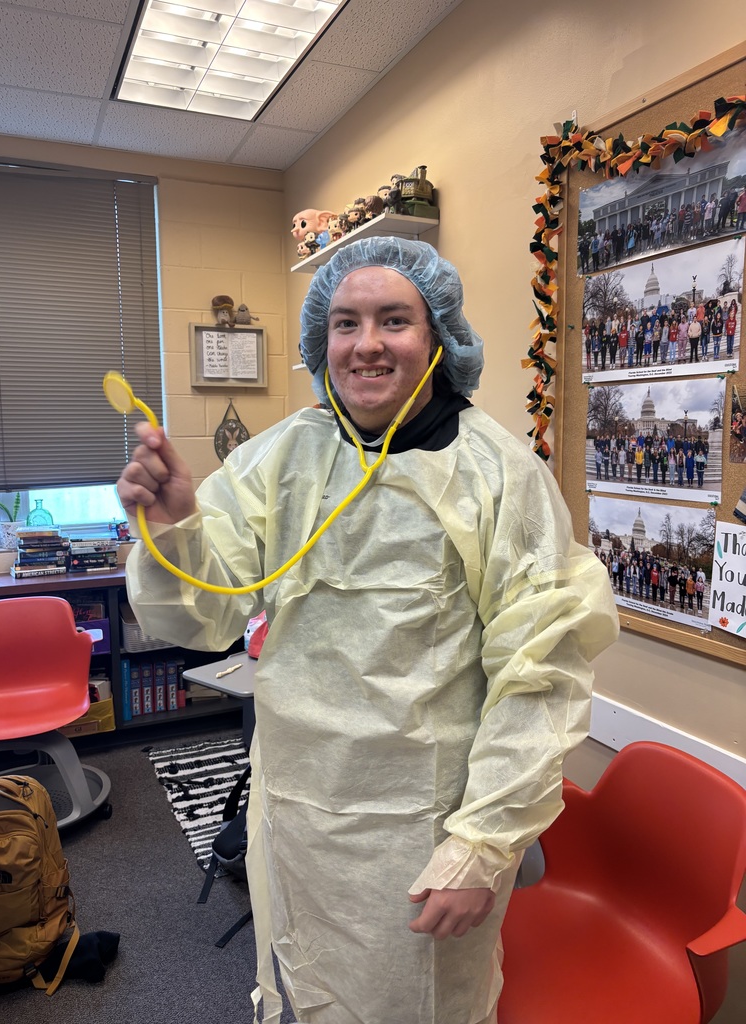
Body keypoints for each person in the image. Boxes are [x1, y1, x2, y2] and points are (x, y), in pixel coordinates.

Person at [116, 237, 619, 1024]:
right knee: (312, 989)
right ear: (324, 344)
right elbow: (202, 613)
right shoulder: (283, 457)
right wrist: (177, 522)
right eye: (346, 324)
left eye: (395, 320)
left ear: (438, 338)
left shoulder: (497, 475)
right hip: (302, 814)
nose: (368, 343)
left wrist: (483, 845)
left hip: (422, 832)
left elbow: (543, 671)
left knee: (422, 1004)